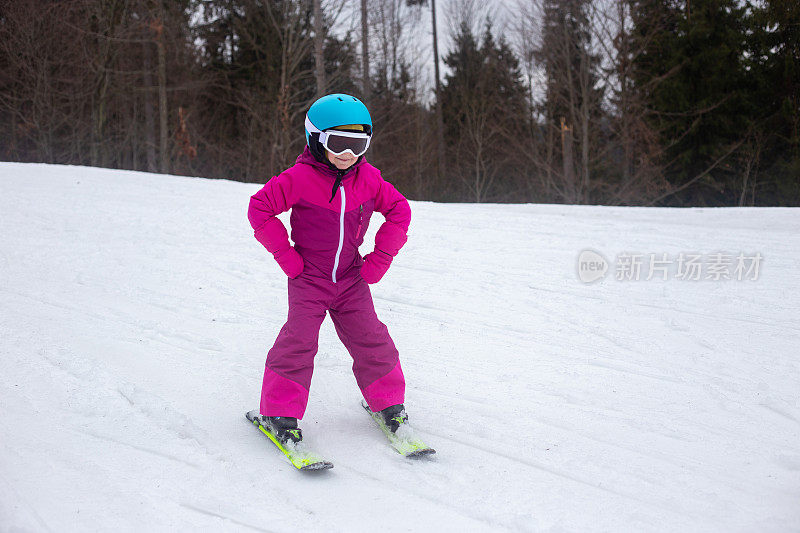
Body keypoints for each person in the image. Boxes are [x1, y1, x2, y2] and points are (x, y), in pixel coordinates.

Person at [247, 93, 412, 445]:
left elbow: (400, 211)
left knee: (373, 339)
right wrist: (287, 258)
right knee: (299, 342)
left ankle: (389, 405)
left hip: (351, 279)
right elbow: (259, 208)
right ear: (316, 139)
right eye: (339, 142)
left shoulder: (368, 179)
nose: (349, 153)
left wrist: (379, 259)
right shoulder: (299, 178)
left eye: (358, 143)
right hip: (309, 279)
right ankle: (279, 413)